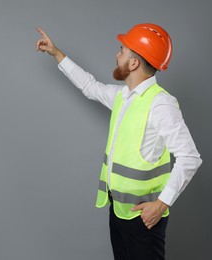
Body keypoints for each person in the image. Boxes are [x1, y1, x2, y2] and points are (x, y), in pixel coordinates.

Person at [36, 23, 202, 260]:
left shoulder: (161, 104)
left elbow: (190, 158)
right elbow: (90, 86)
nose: (117, 54)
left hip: (143, 218)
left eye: (122, 50)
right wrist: (57, 53)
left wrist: (162, 204)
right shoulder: (123, 97)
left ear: (133, 63)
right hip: (119, 211)